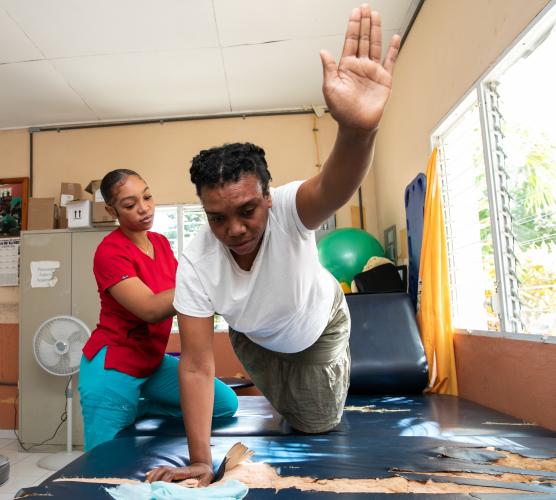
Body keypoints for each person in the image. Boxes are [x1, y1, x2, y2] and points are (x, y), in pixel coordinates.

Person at [147, 3, 400, 485]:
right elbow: (197, 366)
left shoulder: (288, 208)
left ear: (267, 196)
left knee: (314, 423)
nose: (235, 230)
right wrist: (201, 460)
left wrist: (358, 129)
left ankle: (329, 370)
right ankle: (291, 386)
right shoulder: (197, 259)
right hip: (256, 334)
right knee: (285, 405)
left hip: (316, 323)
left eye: (247, 211)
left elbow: (334, 185)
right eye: (218, 218)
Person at [79, 169, 238, 451]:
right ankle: (126, 404)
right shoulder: (110, 252)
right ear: (111, 209)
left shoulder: (161, 244)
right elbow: (151, 309)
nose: (144, 209)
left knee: (224, 404)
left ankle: (143, 405)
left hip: (151, 362)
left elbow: (185, 297)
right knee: (103, 464)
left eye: (148, 197)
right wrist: (208, 282)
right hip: (114, 366)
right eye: (130, 205)